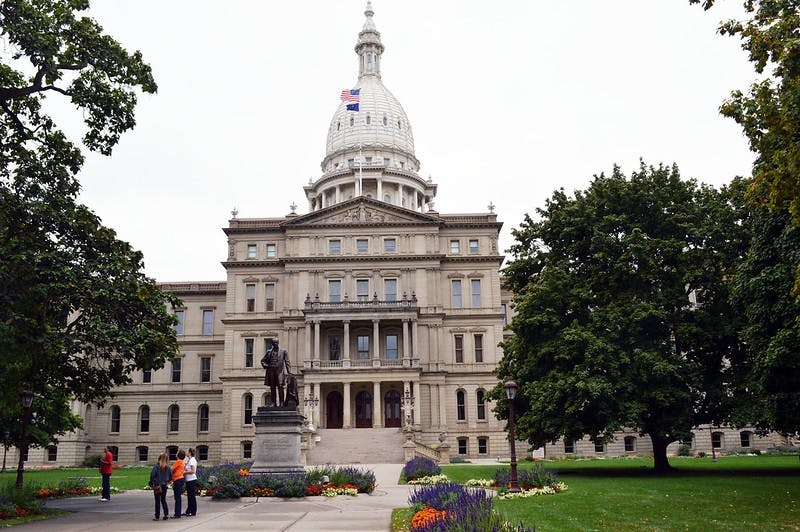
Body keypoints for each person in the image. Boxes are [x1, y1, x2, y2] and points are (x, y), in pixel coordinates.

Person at [261, 340, 290, 407]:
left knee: (280, 386)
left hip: (279, 371)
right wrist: (265, 365)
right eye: (274, 343)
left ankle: (282, 402)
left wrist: (289, 372)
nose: (276, 344)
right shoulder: (269, 352)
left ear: (278, 343)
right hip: (271, 371)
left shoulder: (283, 351)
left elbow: (287, 361)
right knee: (272, 387)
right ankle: (273, 402)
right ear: (272, 344)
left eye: (277, 342)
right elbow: (263, 360)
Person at [149, 452, 172, 521]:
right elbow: (170, 477)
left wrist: (151, 483)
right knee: (163, 500)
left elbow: (152, 476)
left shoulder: (156, 466)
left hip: (157, 485)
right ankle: (166, 514)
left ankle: (157, 516)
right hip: (164, 485)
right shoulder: (168, 467)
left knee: (157, 501)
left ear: (159, 458)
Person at [170, 449, 186, 519]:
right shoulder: (182, 461)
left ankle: (177, 514)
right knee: (178, 497)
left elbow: (171, 469)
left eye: (177, 453)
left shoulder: (178, 461)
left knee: (177, 497)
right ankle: (178, 513)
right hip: (181, 479)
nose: (175, 454)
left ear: (178, 455)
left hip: (177, 480)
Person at [183, 448, 198, 517]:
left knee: (191, 496)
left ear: (189, 453)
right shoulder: (190, 460)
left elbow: (193, 471)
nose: (186, 452)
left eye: (187, 451)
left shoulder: (192, 460)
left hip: (191, 480)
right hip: (189, 480)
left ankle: (193, 511)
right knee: (189, 496)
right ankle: (188, 511)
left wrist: (184, 472)